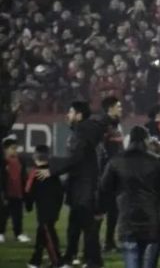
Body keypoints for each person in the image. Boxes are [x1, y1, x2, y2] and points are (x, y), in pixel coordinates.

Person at [40, 101, 105, 268]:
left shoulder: (82, 132)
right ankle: (70, 258)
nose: (67, 115)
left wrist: (52, 168)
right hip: (81, 186)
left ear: (78, 115)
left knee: (87, 227)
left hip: (83, 188)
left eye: (70, 112)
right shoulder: (84, 131)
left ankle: (93, 261)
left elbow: (76, 159)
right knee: (74, 226)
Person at [100, 125, 160, 268]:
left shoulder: (116, 161)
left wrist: (100, 210)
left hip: (127, 221)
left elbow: (104, 189)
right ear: (146, 140)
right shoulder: (157, 162)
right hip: (152, 221)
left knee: (132, 260)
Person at [24, 145, 65, 268]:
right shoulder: (53, 173)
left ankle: (58, 262)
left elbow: (28, 191)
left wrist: (29, 206)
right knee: (42, 233)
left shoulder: (35, 172)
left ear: (35, 157)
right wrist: (58, 208)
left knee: (48, 235)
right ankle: (35, 260)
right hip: (53, 209)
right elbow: (60, 192)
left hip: (43, 211)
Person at [99, 96, 125, 252]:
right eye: (118, 106)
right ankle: (94, 245)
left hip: (116, 173)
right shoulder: (103, 125)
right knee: (101, 209)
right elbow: (101, 150)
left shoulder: (116, 125)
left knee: (114, 210)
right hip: (106, 174)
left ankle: (109, 242)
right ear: (110, 108)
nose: (121, 109)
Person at [1, 137, 30, 243]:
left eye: (15, 148)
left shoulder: (20, 161)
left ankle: (18, 234)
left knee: (18, 216)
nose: (15, 151)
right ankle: (1, 233)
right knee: (3, 214)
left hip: (18, 193)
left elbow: (24, 176)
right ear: (5, 149)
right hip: (6, 192)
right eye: (12, 148)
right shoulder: (3, 162)